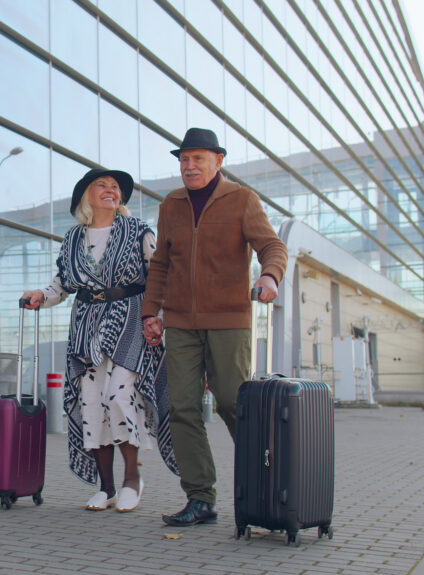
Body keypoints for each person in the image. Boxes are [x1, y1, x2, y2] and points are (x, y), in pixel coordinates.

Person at [141, 128, 288, 527]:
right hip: (182, 323)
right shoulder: (171, 204)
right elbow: (161, 264)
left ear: (217, 161)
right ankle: (200, 498)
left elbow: (271, 246)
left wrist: (270, 277)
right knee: (181, 408)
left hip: (228, 320)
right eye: (184, 160)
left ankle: (269, 478)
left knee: (231, 402)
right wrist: (150, 312)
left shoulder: (242, 200)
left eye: (198, 159)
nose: (189, 166)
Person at [22, 168, 179, 513]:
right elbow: (61, 286)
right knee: (92, 402)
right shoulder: (73, 239)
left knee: (120, 395)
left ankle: (132, 481)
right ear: (86, 196)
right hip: (86, 323)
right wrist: (40, 295)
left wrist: (160, 317)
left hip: (130, 318)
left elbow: (159, 275)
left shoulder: (139, 231)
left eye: (115, 188)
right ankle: (105, 487)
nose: (110, 191)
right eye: (101, 186)